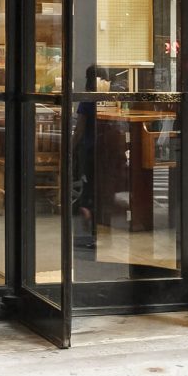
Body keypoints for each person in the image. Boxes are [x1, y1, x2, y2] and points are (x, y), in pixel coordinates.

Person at [72, 65, 109, 249]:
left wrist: (70, 147)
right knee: (102, 190)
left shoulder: (87, 100)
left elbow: (79, 129)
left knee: (90, 187)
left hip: (89, 150)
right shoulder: (108, 100)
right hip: (107, 151)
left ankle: (91, 226)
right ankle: (99, 230)